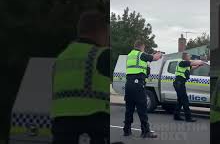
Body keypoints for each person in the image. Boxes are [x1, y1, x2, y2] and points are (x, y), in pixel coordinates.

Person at [51, 11, 111, 144]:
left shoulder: (61, 57)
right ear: (101, 32)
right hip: (94, 126)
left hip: (61, 127)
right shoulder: (101, 55)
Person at [123, 40, 162, 138]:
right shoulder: (141, 54)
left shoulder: (129, 55)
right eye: (144, 48)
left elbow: (143, 68)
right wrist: (158, 54)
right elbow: (155, 58)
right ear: (141, 47)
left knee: (129, 109)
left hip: (129, 85)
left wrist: (148, 62)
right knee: (142, 109)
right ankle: (145, 131)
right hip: (138, 85)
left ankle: (126, 130)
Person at [173, 52, 205, 122]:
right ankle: (188, 118)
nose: (189, 57)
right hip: (179, 83)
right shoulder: (182, 62)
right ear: (185, 57)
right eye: (188, 56)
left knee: (180, 100)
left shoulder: (186, 64)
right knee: (185, 100)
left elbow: (192, 67)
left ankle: (176, 115)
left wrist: (199, 65)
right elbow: (192, 63)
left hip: (179, 83)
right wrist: (201, 61)